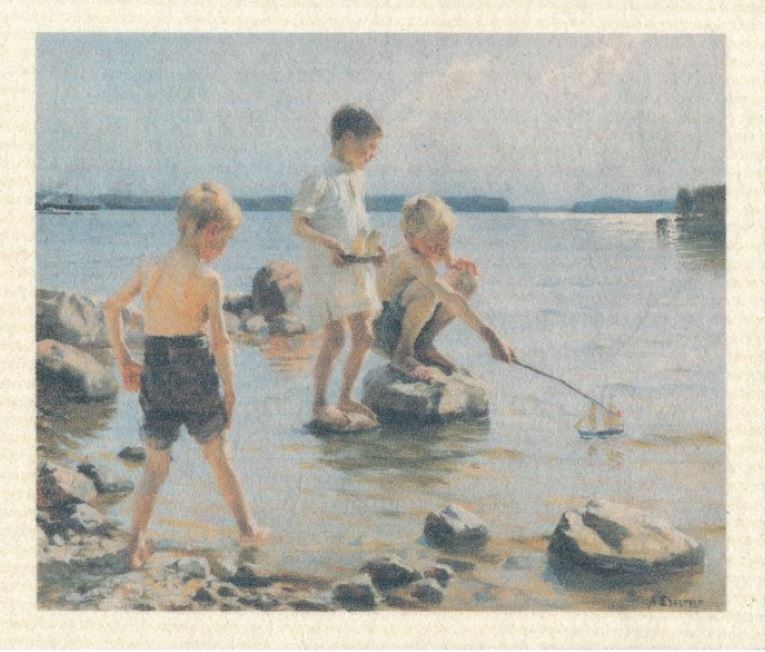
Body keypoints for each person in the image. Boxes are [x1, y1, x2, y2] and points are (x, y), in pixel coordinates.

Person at [104, 181, 267, 571]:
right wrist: (231, 390)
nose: (222, 251)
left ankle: (136, 540)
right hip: (194, 369)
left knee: (156, 464)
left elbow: (112, 308)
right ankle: (248, 530)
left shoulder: (150, 267)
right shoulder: (209, 279)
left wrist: (125, 358)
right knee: (218, 455)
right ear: (211, 231)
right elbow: (222, 342)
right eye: (224, 241)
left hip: (156, 366)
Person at [293, 104, 385, 429]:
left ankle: (345, 395)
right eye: (369, 146)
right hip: (328, 268)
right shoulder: (319, 177)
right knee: (334, 338)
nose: (373, 154)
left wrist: (373, 251)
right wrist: (330, 243)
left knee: (364, 337)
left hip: (354, 267)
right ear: (348, 139)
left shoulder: (357, 177)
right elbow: (299, 225)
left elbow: (357, 222)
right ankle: (319, 402)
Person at [375, 194, 516, 382]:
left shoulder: (433, 244)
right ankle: (403, 353)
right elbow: (449, 296)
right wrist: (490, 336)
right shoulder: (411, 258)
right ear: (409, 239)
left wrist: (455, 264)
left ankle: (423, 345)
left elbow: (448, 262)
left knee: (467, 279)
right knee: (429, 289)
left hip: (408, 318)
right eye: (433, 244)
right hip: (386, 330)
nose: (439, 249)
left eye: (444, 242)